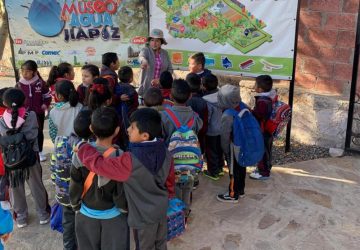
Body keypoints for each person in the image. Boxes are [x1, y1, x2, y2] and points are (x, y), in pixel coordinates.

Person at [75, 108, 175, 250]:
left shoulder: (129, 161)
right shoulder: (166, 152)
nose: (127, 129)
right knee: (160, 244)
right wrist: (169, 197)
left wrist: (83, 148)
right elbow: (170, 183)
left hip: (142, 216)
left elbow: (99, 165)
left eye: (132, 128)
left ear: (145, 135)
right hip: (161, 209)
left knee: (144, 246)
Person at [70, 107, 129, 250]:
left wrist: (75, 205)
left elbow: (75, 185)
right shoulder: (121, 157)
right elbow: (120, 192)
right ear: (117, 130)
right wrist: (123, 210)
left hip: (86, 216)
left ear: (91, 128)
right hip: (113, 218)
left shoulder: (79, 154)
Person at [0, 88, 50, 228]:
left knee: (15, 188)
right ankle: (43, 214)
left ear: (5, 103)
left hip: (11, 161)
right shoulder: (31, 115)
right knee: (36, 186)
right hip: (30, 158)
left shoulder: (2, 119)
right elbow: (33, 135)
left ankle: (21, 217)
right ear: (25, 101)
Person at [52, 110, 93, 250]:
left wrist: (56, 184)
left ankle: (69, 247)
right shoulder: (90, 150)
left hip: (63, 193)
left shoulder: (59, 141)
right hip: (82, 197)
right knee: (84, 225)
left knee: (68, 223)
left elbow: (54, 167)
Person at [16, 60, 52, 162]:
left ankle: (40, 152)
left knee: (38, 132)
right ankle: (26, 151)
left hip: (38, 113)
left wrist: (45, 104)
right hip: (23, 114)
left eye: (27, 71)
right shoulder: (19, 85)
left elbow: (47, 96)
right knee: (24, 132)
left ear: (34, 72)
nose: (24, 74)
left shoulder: (41, 83)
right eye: (23, 71)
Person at [216, 84, 245, 203]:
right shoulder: (243, 106)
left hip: (233, 147)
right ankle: (241, 189)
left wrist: (225, 151)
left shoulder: (227, 115)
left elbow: (225, 136)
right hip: (244, 144)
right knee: (241, 167)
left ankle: (233, 194)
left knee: (233, 170)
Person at [249, 75, 276, 180]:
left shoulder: (262, 101)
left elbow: (259, 115)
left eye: (255, 84)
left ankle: (263, 172)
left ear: (260, 89)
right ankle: (266, 168)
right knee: (267, 150)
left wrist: (250, 111)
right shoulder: (271, 96)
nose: (254, 86)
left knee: (262, 151)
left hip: (263, 130)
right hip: (268, 130)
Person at [160, 79, 203, 146]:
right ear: (190, 96)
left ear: (170, 96)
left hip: (169, 154)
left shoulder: (163, 116)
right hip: (189, 154)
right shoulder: (197, 119)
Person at [202, 74, 225, 180]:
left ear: (204, 86)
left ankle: (213, 171)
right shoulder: (222, 96)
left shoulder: (206, 101)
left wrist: (203, 129)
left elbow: (208, 117)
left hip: (211, 131)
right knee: (220, 149)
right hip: (222, 128)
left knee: (211, 151)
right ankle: (220, 168)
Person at [138, 29, 173, 97]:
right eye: (152, 40)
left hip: (161, 88)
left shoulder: (165, 53)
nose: (154, 43)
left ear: (161, 42)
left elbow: (170, 69)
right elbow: (141, 57)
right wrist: (144, 61)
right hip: (147, 88)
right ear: (149, 41)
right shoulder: (146, 50)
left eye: (157, 41)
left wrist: (161, 80)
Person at [115, 66, 139, 150]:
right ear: (131, 78)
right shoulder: (133, 92)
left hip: (117, 119)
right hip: (129, 119)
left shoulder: (115, 88)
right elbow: (135, 105)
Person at [186, 73, 208, 155]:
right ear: (200, 85)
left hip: (186, 136)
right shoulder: (203, 101)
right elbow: (205, 120)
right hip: (200, 134)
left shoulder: (185, 102)